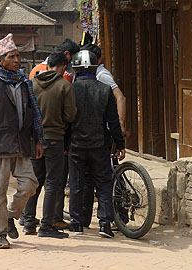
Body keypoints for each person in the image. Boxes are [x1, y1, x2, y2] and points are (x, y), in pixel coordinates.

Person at [0, 33, 44, 249]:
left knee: (30, 184)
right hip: (0, 145)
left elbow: (33, 114)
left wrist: (38, 140)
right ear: (1, 61)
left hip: (22, 144)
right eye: (11, 57)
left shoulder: (24, 84)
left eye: (17, 56)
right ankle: (0, 233)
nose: (17, 60)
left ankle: (11, 215)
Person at [68, 50, 125, 238]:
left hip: (76, 145)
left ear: (75, 69)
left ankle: (76, 225)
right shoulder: (104, 89)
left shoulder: (70, 90)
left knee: (76, 183)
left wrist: (65, 144)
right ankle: (105, 225)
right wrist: (120, 143)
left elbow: (66, 120)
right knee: (103, 183)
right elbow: (113, 121)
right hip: (99, 145)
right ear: (95, 68)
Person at [21, 52, 76, 238]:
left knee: (35, 180)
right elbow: (70, 116)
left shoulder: (33, 84)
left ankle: (28, 222)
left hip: (34, 140)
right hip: (55, 139)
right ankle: (46, 225)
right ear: (62, 66)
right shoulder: (64, 86)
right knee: (53, 181)